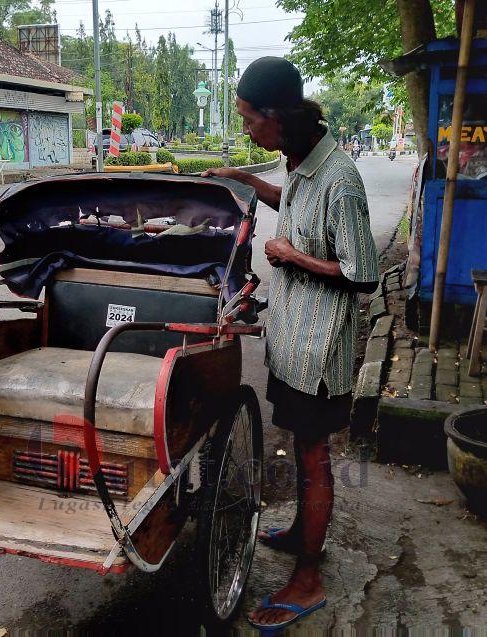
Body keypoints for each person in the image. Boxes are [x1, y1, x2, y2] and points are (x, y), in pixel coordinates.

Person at [203, 57, 379, 631]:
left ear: (277, 117)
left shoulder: (341, 177)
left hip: (321, 347)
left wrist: (291, 257)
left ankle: (309, 578)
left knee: (313, 455)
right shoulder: (303, 162)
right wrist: (252, 184)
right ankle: (305, 533)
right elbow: (300, 209)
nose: (247, 128)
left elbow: (362, 274)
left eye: (251, 119)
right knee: (303, 449)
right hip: (292, 336)